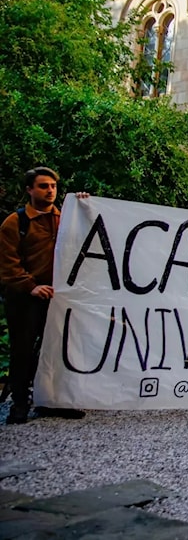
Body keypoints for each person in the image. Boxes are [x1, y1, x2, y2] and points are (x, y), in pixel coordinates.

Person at [0, 167, 88, 425]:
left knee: (57, 350)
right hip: (26, 298)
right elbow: (7, 264)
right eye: (43, 186)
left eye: (53, 186)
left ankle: (52, 400)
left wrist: (83, 206)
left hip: (58, 297)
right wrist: (30, 286)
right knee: (23, 351)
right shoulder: (15, 223)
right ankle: (19, 403)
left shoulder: (64, 218)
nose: (50, 191)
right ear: (29, 189)